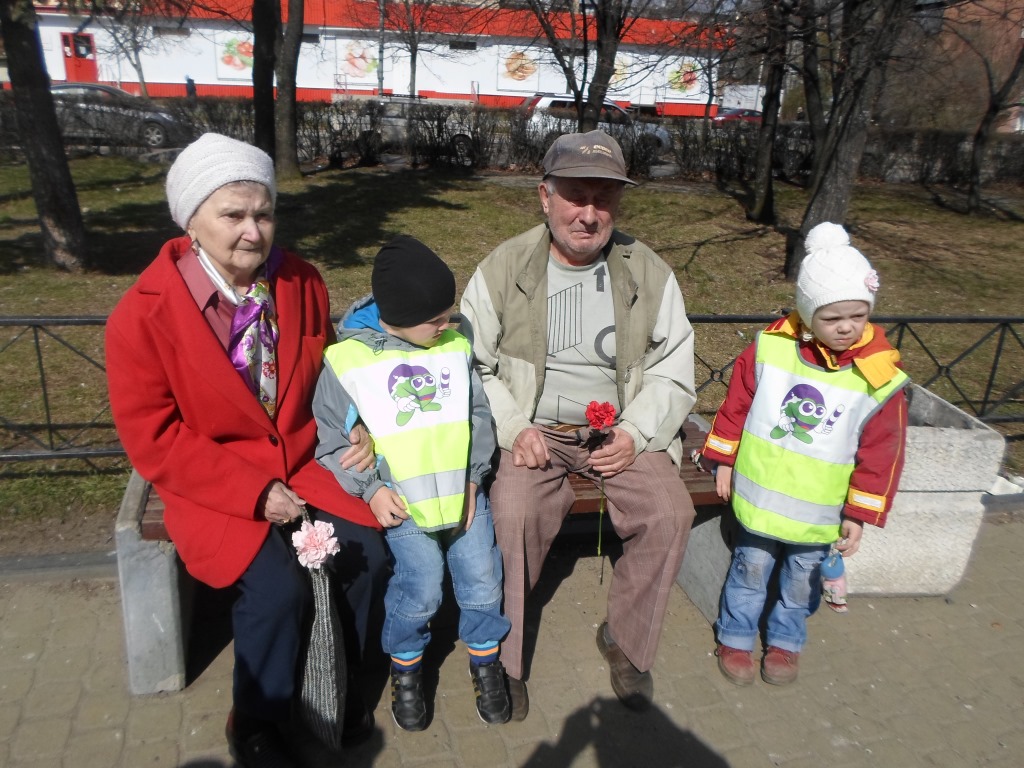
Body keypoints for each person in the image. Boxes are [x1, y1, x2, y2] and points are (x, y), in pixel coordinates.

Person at [105, 133, 388, 767]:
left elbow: (331, 370)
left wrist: (359, 421)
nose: (253, 232)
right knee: (277, 589)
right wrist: (254, 493)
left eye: (263, 213)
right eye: (233, 215)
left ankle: (343, 687)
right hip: (216, 484)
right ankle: (257, 718)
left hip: (307, 465)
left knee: (368, 551)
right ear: (192, 220)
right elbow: (154, 439)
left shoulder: (301, 282)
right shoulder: (142, 316)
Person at [460, 130, 698, 718]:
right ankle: (505, 661)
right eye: (575, 195)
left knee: (671, 513)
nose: (589, 214)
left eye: (603, 198)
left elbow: (672, 369)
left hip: (618, 429)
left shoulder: (648, 271)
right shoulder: (503, 268)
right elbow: (470, 367)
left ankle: (625, 638)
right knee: (512, 515)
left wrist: (636, 433)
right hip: (533, 432)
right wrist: (516, 429)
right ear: (545, 197)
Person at [696, 222, 909, 687]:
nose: (847, 327)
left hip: (819, 511)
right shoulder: (771, 349)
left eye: (858, 315)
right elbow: (737, 405)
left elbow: (882, 453)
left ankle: (785, 644)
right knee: (749, 569)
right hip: (760, 498)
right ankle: (735, 636)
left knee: (798, 582)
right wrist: (725, 459)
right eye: (833, 318)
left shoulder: (879, 378)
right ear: (808, 314)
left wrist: (859, 513)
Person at [312, 235, 512, 731]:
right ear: (397, 314)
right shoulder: (349, 364)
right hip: (404, 504)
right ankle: (406, 666)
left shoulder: (452, 345)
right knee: (420, 588)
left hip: (463, 494)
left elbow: (477, 415)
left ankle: (485, 660)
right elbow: (333, 444)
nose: (449, 324)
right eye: (437, 319)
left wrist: (474, 476)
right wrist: (372, 489)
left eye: (448, 314)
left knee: (483, 579)